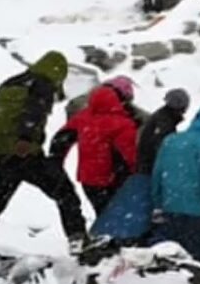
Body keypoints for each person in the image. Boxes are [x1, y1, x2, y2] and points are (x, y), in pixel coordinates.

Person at [0, 51, 87, 256]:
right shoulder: (41, 84)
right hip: (25, 152)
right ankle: (77, 238)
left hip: (0, 152)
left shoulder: (11, 83)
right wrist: (25, 138)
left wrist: (3, 126)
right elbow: (33, 112)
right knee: (64, 192)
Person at [151, 104, 200, 264]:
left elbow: (158, 175)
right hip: (195, 214)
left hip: (169, 209)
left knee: (172, 258)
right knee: (194, 260)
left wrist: (158, 204)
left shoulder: (171, 140)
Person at [48, 81, 138, 216]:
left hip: (88, 179)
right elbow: (129, 154)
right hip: (111, 178)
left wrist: (56, 161)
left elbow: (61, 140)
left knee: (102, 212)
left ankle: (102, 234)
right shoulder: (123, 123)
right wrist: (138, 171)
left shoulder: (82, 117)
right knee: (117, 215)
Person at [136, 88, 191, 176]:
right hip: (149, 171)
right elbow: (158, 149)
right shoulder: (165, 123)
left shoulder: (162, 118)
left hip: (145, 167)